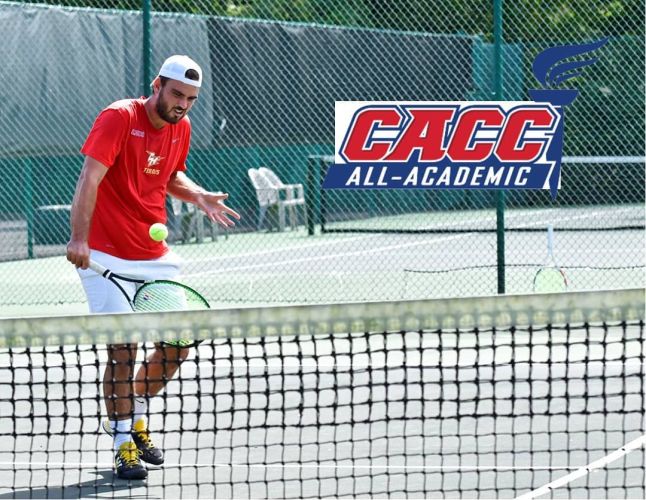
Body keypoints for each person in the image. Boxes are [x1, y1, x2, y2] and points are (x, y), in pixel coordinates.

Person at [66, 55, 240, 480]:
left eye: (191, 99)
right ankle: (123, 441)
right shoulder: (119, 118)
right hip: (104, 254)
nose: (182, 104)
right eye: (177, 94)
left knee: (179, 341)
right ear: (157, 85)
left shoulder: (181, 128)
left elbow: (170, 176)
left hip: (153, 256)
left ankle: (134, 412)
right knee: (123, 349)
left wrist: (197, 195)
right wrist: (79, 238)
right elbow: (90, 177)